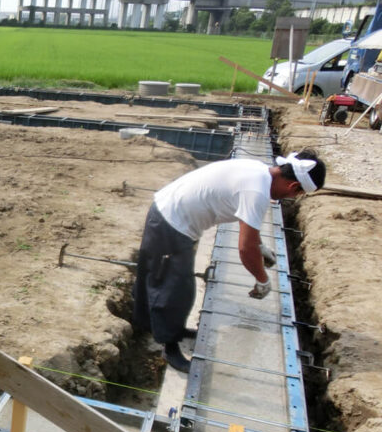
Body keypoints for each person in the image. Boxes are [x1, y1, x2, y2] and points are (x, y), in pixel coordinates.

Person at [132, 150, 326, 373]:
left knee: (157, 273)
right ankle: (169, 345)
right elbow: (245, 248)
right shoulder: (257, 191)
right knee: (174, 288)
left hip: (169, 211)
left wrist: (260, 246)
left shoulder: (259, 171)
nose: (291, 198)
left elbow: (249, 229)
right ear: (293, 187)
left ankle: (151, 324)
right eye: (296, 195)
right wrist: (262, 279)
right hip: (172, 223)